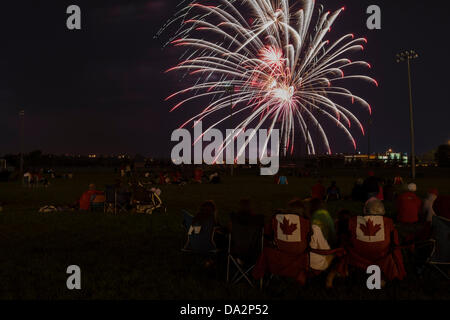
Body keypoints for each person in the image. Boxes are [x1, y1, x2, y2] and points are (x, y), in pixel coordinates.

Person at [344, 199, 406, 285]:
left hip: (358, 254)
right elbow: (394, 243)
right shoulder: (388, 222)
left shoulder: (353, 220)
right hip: (381, 255)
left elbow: (348, 238)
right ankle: (382, 276)